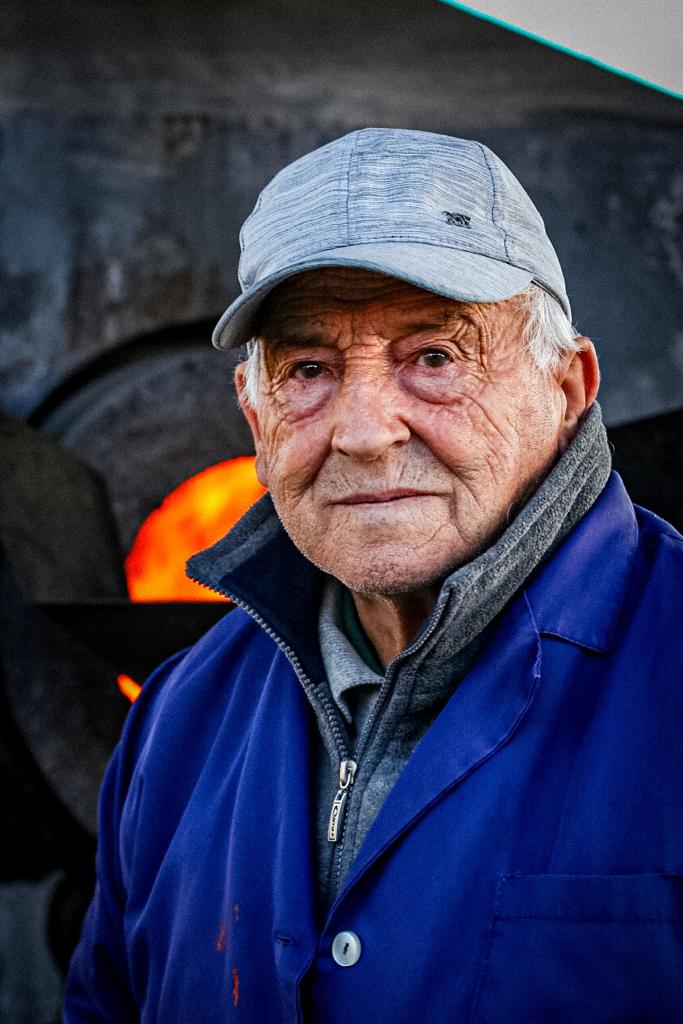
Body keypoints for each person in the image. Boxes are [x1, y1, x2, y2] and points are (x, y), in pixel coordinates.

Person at [64, 129, 683, 1023]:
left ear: (568, 387)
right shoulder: (178, 719)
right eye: (308, 370)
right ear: (255, 417)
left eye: (434, 357)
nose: (362, 432)